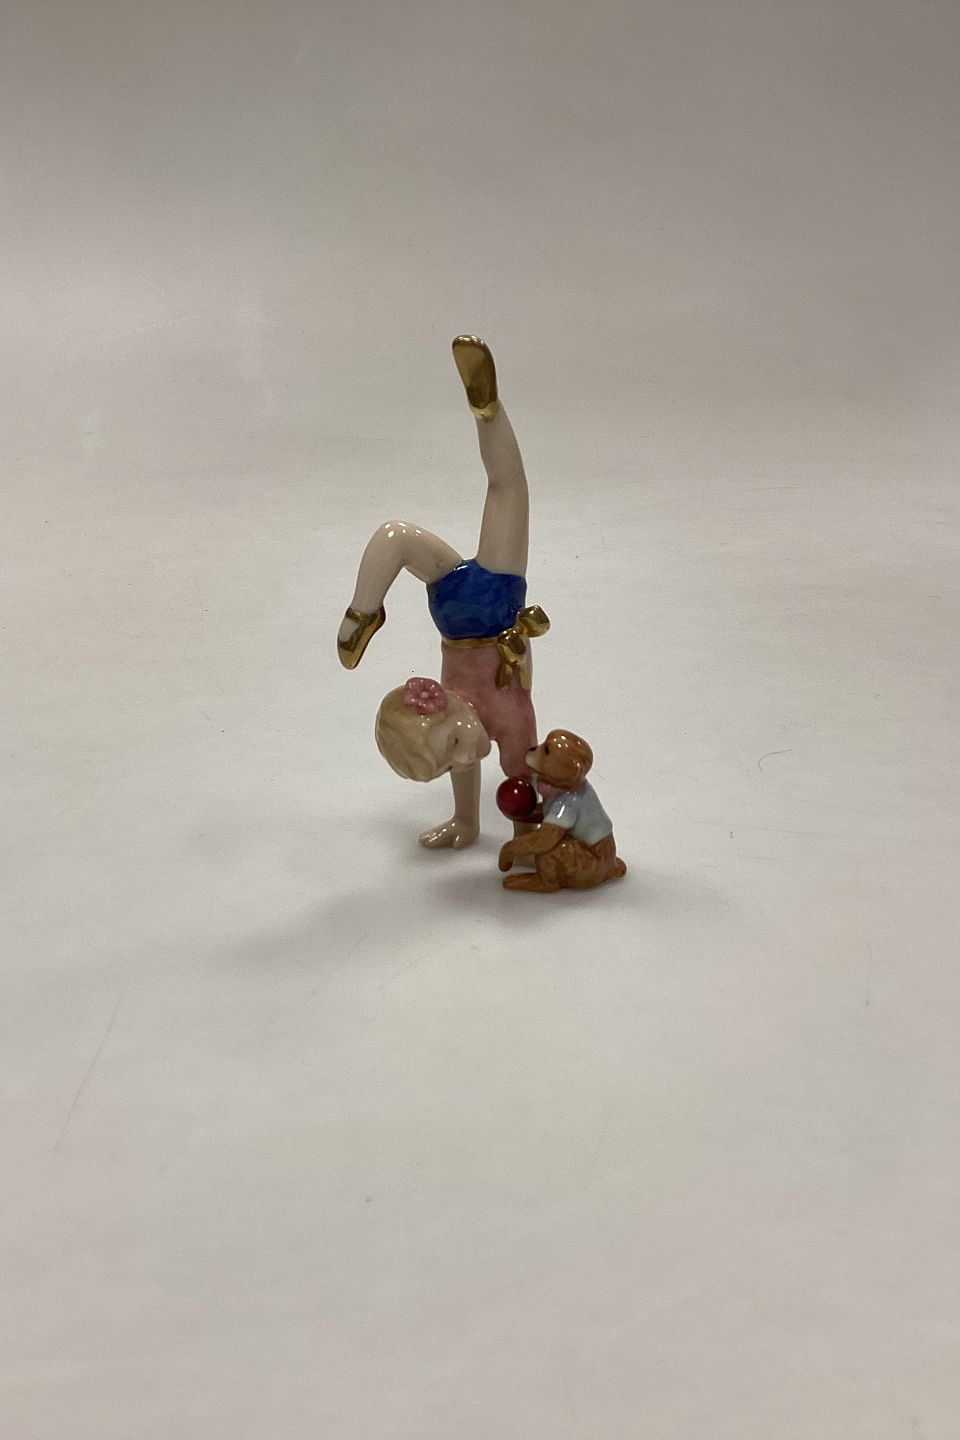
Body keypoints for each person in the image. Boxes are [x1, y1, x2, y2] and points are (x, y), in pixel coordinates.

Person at [337, 336, 548, 850]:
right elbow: (502, 772)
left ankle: (363, 612)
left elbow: (522, 778)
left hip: (486, 606)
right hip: (461, 614)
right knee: (401, 535)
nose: (465, 755)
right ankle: (486, 409)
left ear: (444, 704)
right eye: (449, 761)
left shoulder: (494, 720)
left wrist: (527, 842)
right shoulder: (474, 723)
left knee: (506, 488)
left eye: (454, 743)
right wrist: (468, 824)